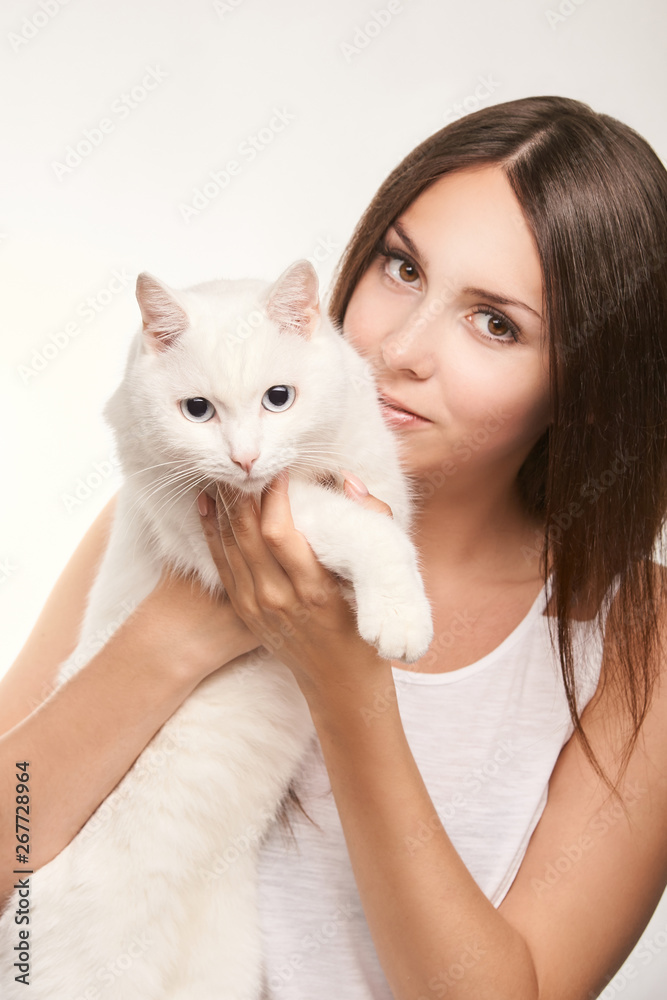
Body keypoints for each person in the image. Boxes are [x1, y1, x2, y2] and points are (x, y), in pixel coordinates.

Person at [1, 94, 666, 999]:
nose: (400, 347)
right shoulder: (172, 510)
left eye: (495, 322)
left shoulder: (633, 639)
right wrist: (179, 631)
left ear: (585, 388)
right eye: (400, 267)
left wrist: (346, 682)